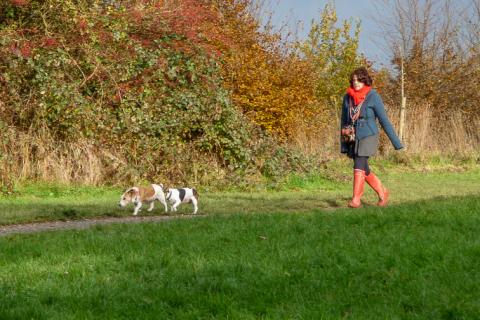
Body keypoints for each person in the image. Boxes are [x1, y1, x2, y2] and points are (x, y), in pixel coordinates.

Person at [340, 67, 403, 208]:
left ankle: (356, 200)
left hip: (369, 134)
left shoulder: (373, 96)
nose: (356, 83)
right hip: (352, 137)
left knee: (359, 162)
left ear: (365, 80)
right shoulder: (347, 97)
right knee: (363, 168)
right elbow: (343, 121)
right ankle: (383, 192)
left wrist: (396, 143)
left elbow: (384, 120)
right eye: (354, 80)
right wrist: (343, 145)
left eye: (359, 80)